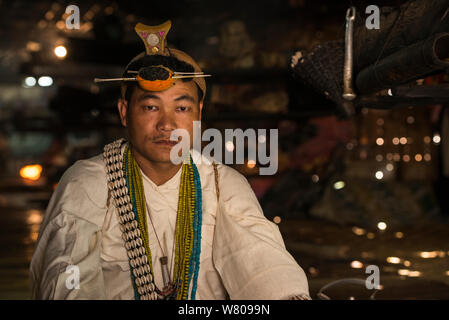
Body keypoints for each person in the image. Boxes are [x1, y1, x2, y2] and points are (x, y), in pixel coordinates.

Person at [30, 21, 310, 300]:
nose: (167, 124)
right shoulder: (88, 183)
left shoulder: (222, 183)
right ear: (124, 111)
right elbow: (67, 279)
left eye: (182, 108)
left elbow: (263, 264)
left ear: (198, 114)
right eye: (151, 107)